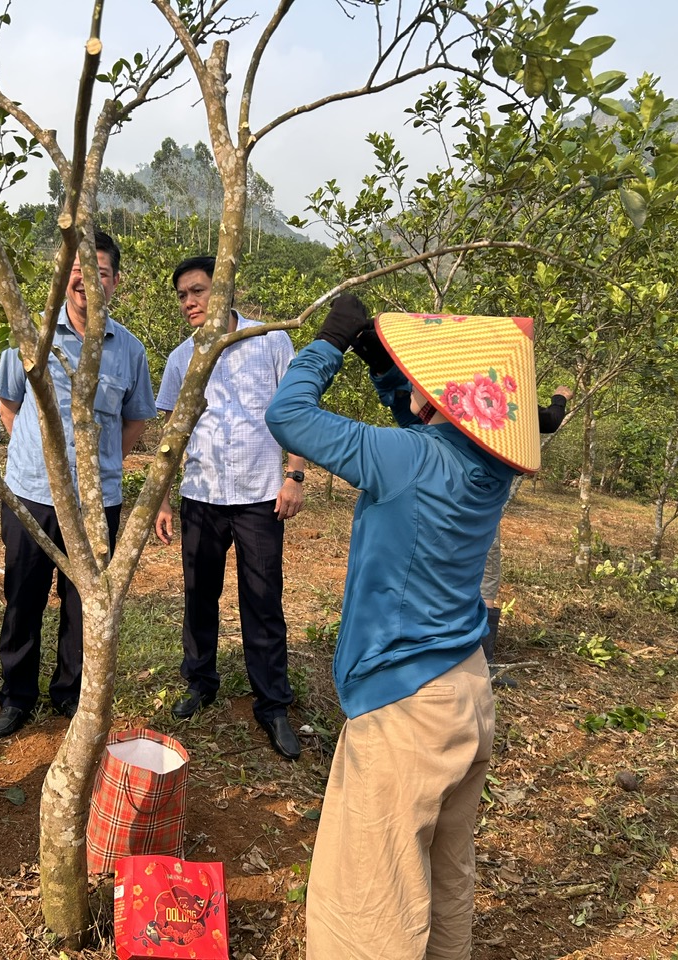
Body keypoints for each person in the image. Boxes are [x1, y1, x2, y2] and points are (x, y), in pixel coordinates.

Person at [265, 297, 541, 960]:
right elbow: (429, 428)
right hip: (467, 692)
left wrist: (330, 343)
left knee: (370, 902)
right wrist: (385, 372)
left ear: (441, 397)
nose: (413, 386)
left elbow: (288, 415)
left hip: (405, 710)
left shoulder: (405, 459)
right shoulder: (492, 466)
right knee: (445, 872)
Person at [0, 229, 155, 736]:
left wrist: (100, 465)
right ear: (64, 279)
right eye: (78, 272)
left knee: (85, 603)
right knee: (23, 596)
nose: (87, 282)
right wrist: (36, 457)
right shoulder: (32, 337)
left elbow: (135, 419)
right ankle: (16, 695)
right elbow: (8, 402)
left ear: (116, 282)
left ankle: (69, 694)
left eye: (99, 273)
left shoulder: (129, 349)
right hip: (32, 493)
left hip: (96, 501)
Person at [153, 256, 306, 760]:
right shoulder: (182, 358)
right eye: (182, 295)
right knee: (199, 595)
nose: (189, 302)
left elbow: (294, 412)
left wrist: (294, 475)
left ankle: (273, 703)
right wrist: (162, 499)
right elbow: (171, 433)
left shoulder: (269, 341)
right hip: (201, 495)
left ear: (224, 290)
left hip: (260, 495)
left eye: (198, 290)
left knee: (262, 600)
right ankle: (200, 681)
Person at [481, 386, 572, 686]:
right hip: (482, 503)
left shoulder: (450, 395)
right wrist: (560, 397)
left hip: (440, 496)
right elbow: (550, 421)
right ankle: (481, 663)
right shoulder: (506, 399)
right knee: (485, 579)